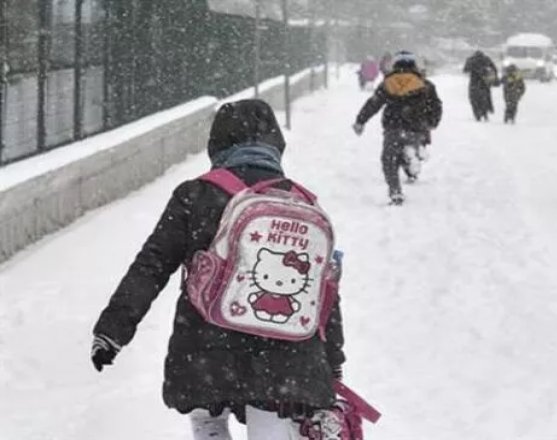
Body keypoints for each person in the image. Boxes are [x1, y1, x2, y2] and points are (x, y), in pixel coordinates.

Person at [90, 99, 346, 439]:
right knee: (272, 418)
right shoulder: (301, 202)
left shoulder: (195, 195)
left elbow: (151, 265)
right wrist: (333, 357)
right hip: (285, 353)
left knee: (207, 415)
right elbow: (322, 289)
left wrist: (112, 330)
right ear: (275, 145)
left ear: (217, 144)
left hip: (206, 344)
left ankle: (209, 426)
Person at [353, 51, 443, 205]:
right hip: (417, 127)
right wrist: (432, 123)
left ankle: (395, 192)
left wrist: (361, 121)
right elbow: (435, 106)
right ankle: (414, 154)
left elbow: (373, 103)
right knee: (413, 144)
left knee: (389, 160)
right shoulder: (426, 85)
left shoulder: (388, 83)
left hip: (393, 127)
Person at [463, 50, 499, 122]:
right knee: (485, 97)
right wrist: (493, 77)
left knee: (474, 99)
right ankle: (485, 112)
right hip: (484, 82)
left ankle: (477, 114)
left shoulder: (471, 60)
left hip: (474, 82)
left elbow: (465, 70)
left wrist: (473, 69)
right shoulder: (486, 59)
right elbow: (494, 69)